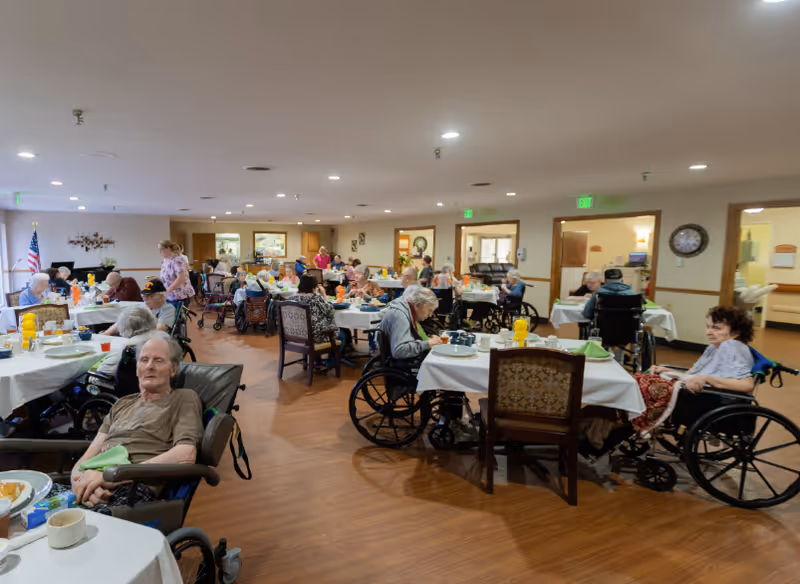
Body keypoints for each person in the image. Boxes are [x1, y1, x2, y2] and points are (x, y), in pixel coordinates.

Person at [67, 336, 203, 512]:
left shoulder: (183, 398)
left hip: (132, 486)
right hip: (94, 480)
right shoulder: (121, 404)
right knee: (41, 513)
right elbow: (89, 454)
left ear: (173, 369)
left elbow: (186, 454)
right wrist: (79, 482)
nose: (150, 366)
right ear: (137, 369)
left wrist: (112, 476)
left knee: (82, 524)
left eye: (158, 360)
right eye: (144, 360)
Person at [632, 306, 756, 436]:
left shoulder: (732, 347)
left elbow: (746, 385)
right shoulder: (714, 348)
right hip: (704, 394)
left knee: (641, 384)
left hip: (714, 400)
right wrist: (667, 370)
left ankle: (634, 423)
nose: (708, 332)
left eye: (716, 328)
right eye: (708, 327)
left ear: (736, 333)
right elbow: (692, 375)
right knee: (641, 380)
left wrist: (708, 379)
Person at [380, 288, 442, 363]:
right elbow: (399, 351)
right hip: (398, 362)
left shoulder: (406, 309)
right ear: (418, 305)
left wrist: (429, 340)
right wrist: (427, 344)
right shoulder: (400, 315)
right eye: (429, 310)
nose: (430, 315)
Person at [96, 305, 158, 376]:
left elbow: (103, 371)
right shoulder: (162, 336)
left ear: (124, 326)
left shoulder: (129, 347)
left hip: (132, 381)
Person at [292, 275, 339, 366]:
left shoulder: (293, 298)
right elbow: (329, 311)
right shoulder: (315, 298)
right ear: (314, 287)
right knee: (341, 334)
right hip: (314, 338)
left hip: (296, 336)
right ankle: (331, 361)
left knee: (315, 326)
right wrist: (324, 295)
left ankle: (317, 360)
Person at [104, 279, 176, 335]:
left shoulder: (167, 309)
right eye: (145, 296)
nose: (146, 299)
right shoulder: (142, 306)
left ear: (162, 296)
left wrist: (135, 332)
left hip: (155, 340)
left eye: (151, 296)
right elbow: (122, 321)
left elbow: (160, 328)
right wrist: (107, 333)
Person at [159, 239, 195, 309]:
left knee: (177, 315)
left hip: (180, 294)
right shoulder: (164, 261)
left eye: (161, 249)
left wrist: (168, 290)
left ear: (168, 249)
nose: (160, 252)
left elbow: (181, 278)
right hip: (169, 295)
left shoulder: (177, 260)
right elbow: (165, 276)